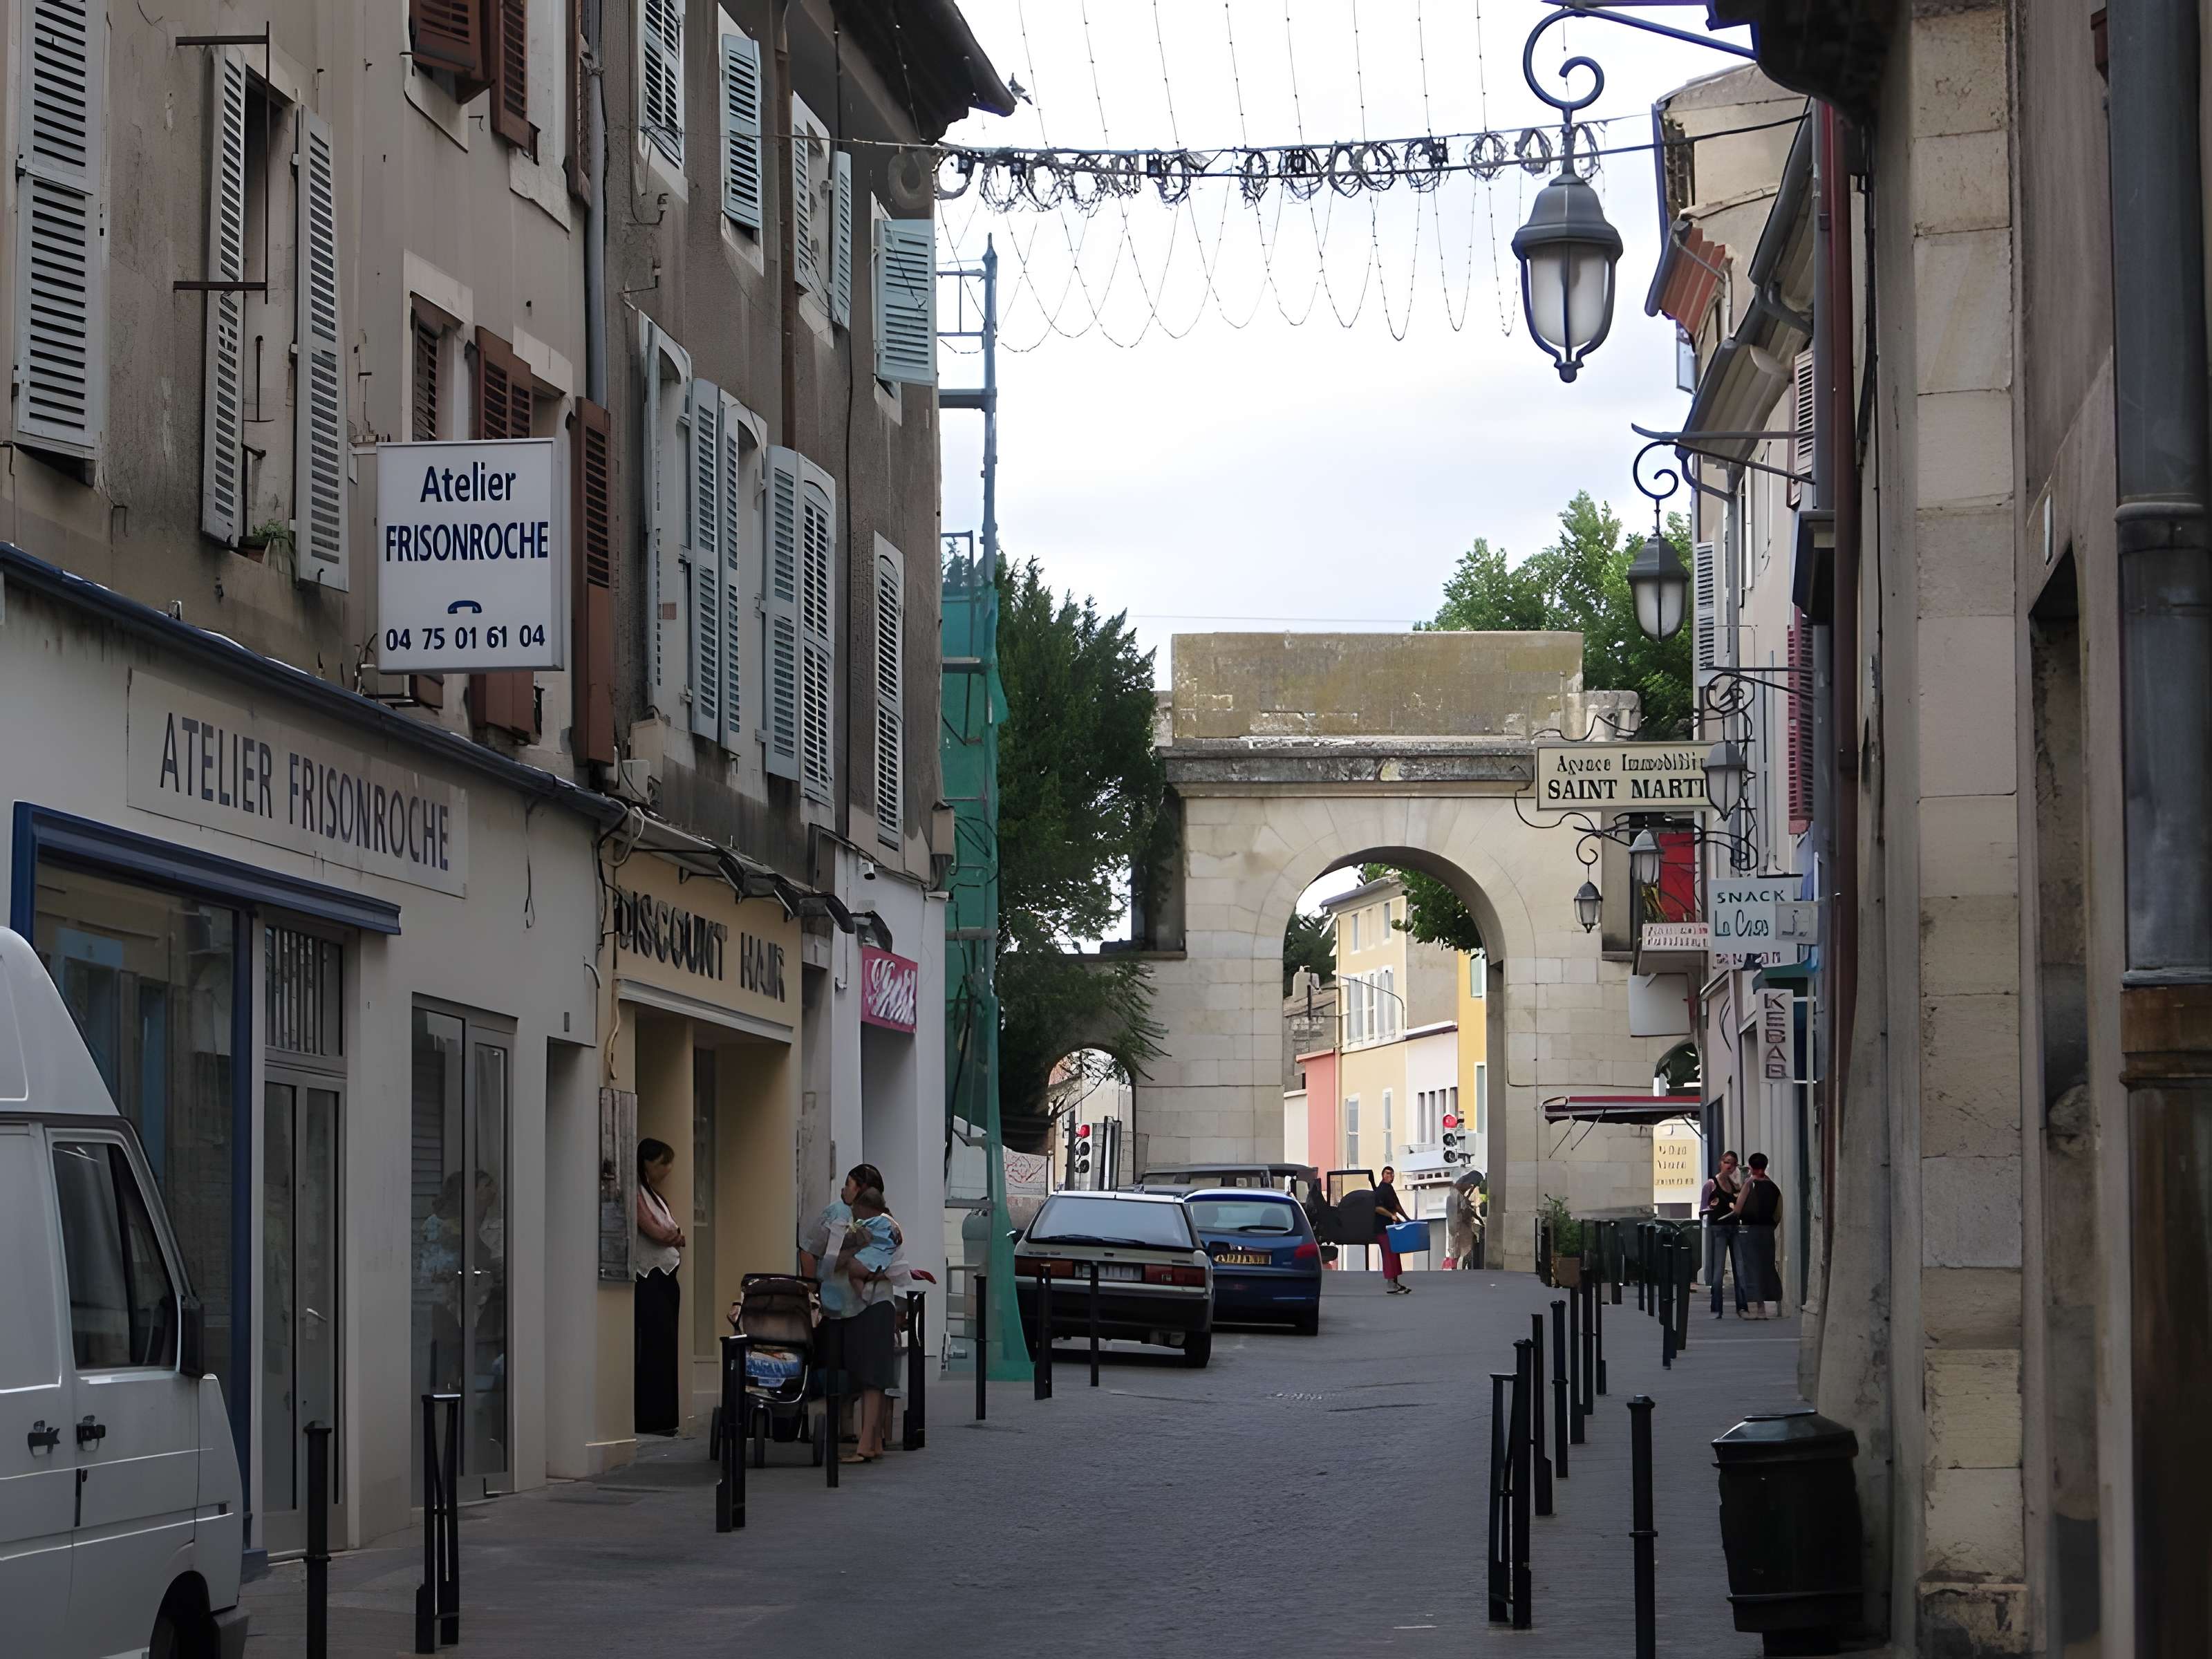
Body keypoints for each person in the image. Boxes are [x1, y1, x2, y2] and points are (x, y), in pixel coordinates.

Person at [831, 1185, 906, 1463]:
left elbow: (855, 1264)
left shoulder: (881, 1229)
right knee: (872, 1378)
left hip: (873, 1307)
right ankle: (873, 1443)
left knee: (871, 1378)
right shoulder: (887, 1227)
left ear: (864, 1209)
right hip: (877, 1305)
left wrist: (849, 1259)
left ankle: (865, 1446)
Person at [633, 1138, 686, 1435]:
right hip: (649, 1276)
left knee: (666, 1345)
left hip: (665, 1276)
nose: (667, 1169)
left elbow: (674, 1232)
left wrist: (674, 1236)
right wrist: (673, 1236)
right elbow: (658, 1232)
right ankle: (651, 1416)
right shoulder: (638, 1193)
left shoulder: (656, 1196)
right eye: (663, 1162)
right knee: (654, 1344)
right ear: (647, 1163)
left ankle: (665, 1416)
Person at [1731, 1152, 1783, 1318]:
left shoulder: (1749, 1184)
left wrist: (1733, 1207)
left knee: (1752, 1267)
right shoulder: (1774, 1187)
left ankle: (1758, 1307)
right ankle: (1771, 1303)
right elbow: (1778, 1212)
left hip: (1750, 1230)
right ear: (1766, 1165)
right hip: (1768, 1230)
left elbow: (1738, 1210)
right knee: (1767, 1266)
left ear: (1751, 1167)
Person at [1701, 1151, 1745, 1318]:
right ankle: (1716, 1307)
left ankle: (1742, 1306)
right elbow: (1704, 1209)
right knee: (1718, 1270)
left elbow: (1742, 1203)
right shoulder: (1711, 1184)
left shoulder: (1735, 1185)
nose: (1729, 1166)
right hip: (1719, 1229)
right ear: (1721, 1163)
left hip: (1734, 1228)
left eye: (1732, 1163)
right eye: (1727, 1162)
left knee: (1740, 1269)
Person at [1374, 1165, 1412, 1293]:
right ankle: (1391, 1283)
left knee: (1394, 1253)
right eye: (1388, 1174)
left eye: (1393, 1174)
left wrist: (1407, 1218)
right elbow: (1377, 1208)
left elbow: (1396, 1205)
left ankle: (1395, 1282)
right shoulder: (1380, 1190)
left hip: (1391, 1228)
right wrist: (1392, 1216)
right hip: (1382, 1228)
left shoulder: (1389, 1189)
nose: (1391, 1176)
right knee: (1389, 1255)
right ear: (1383, 1175)